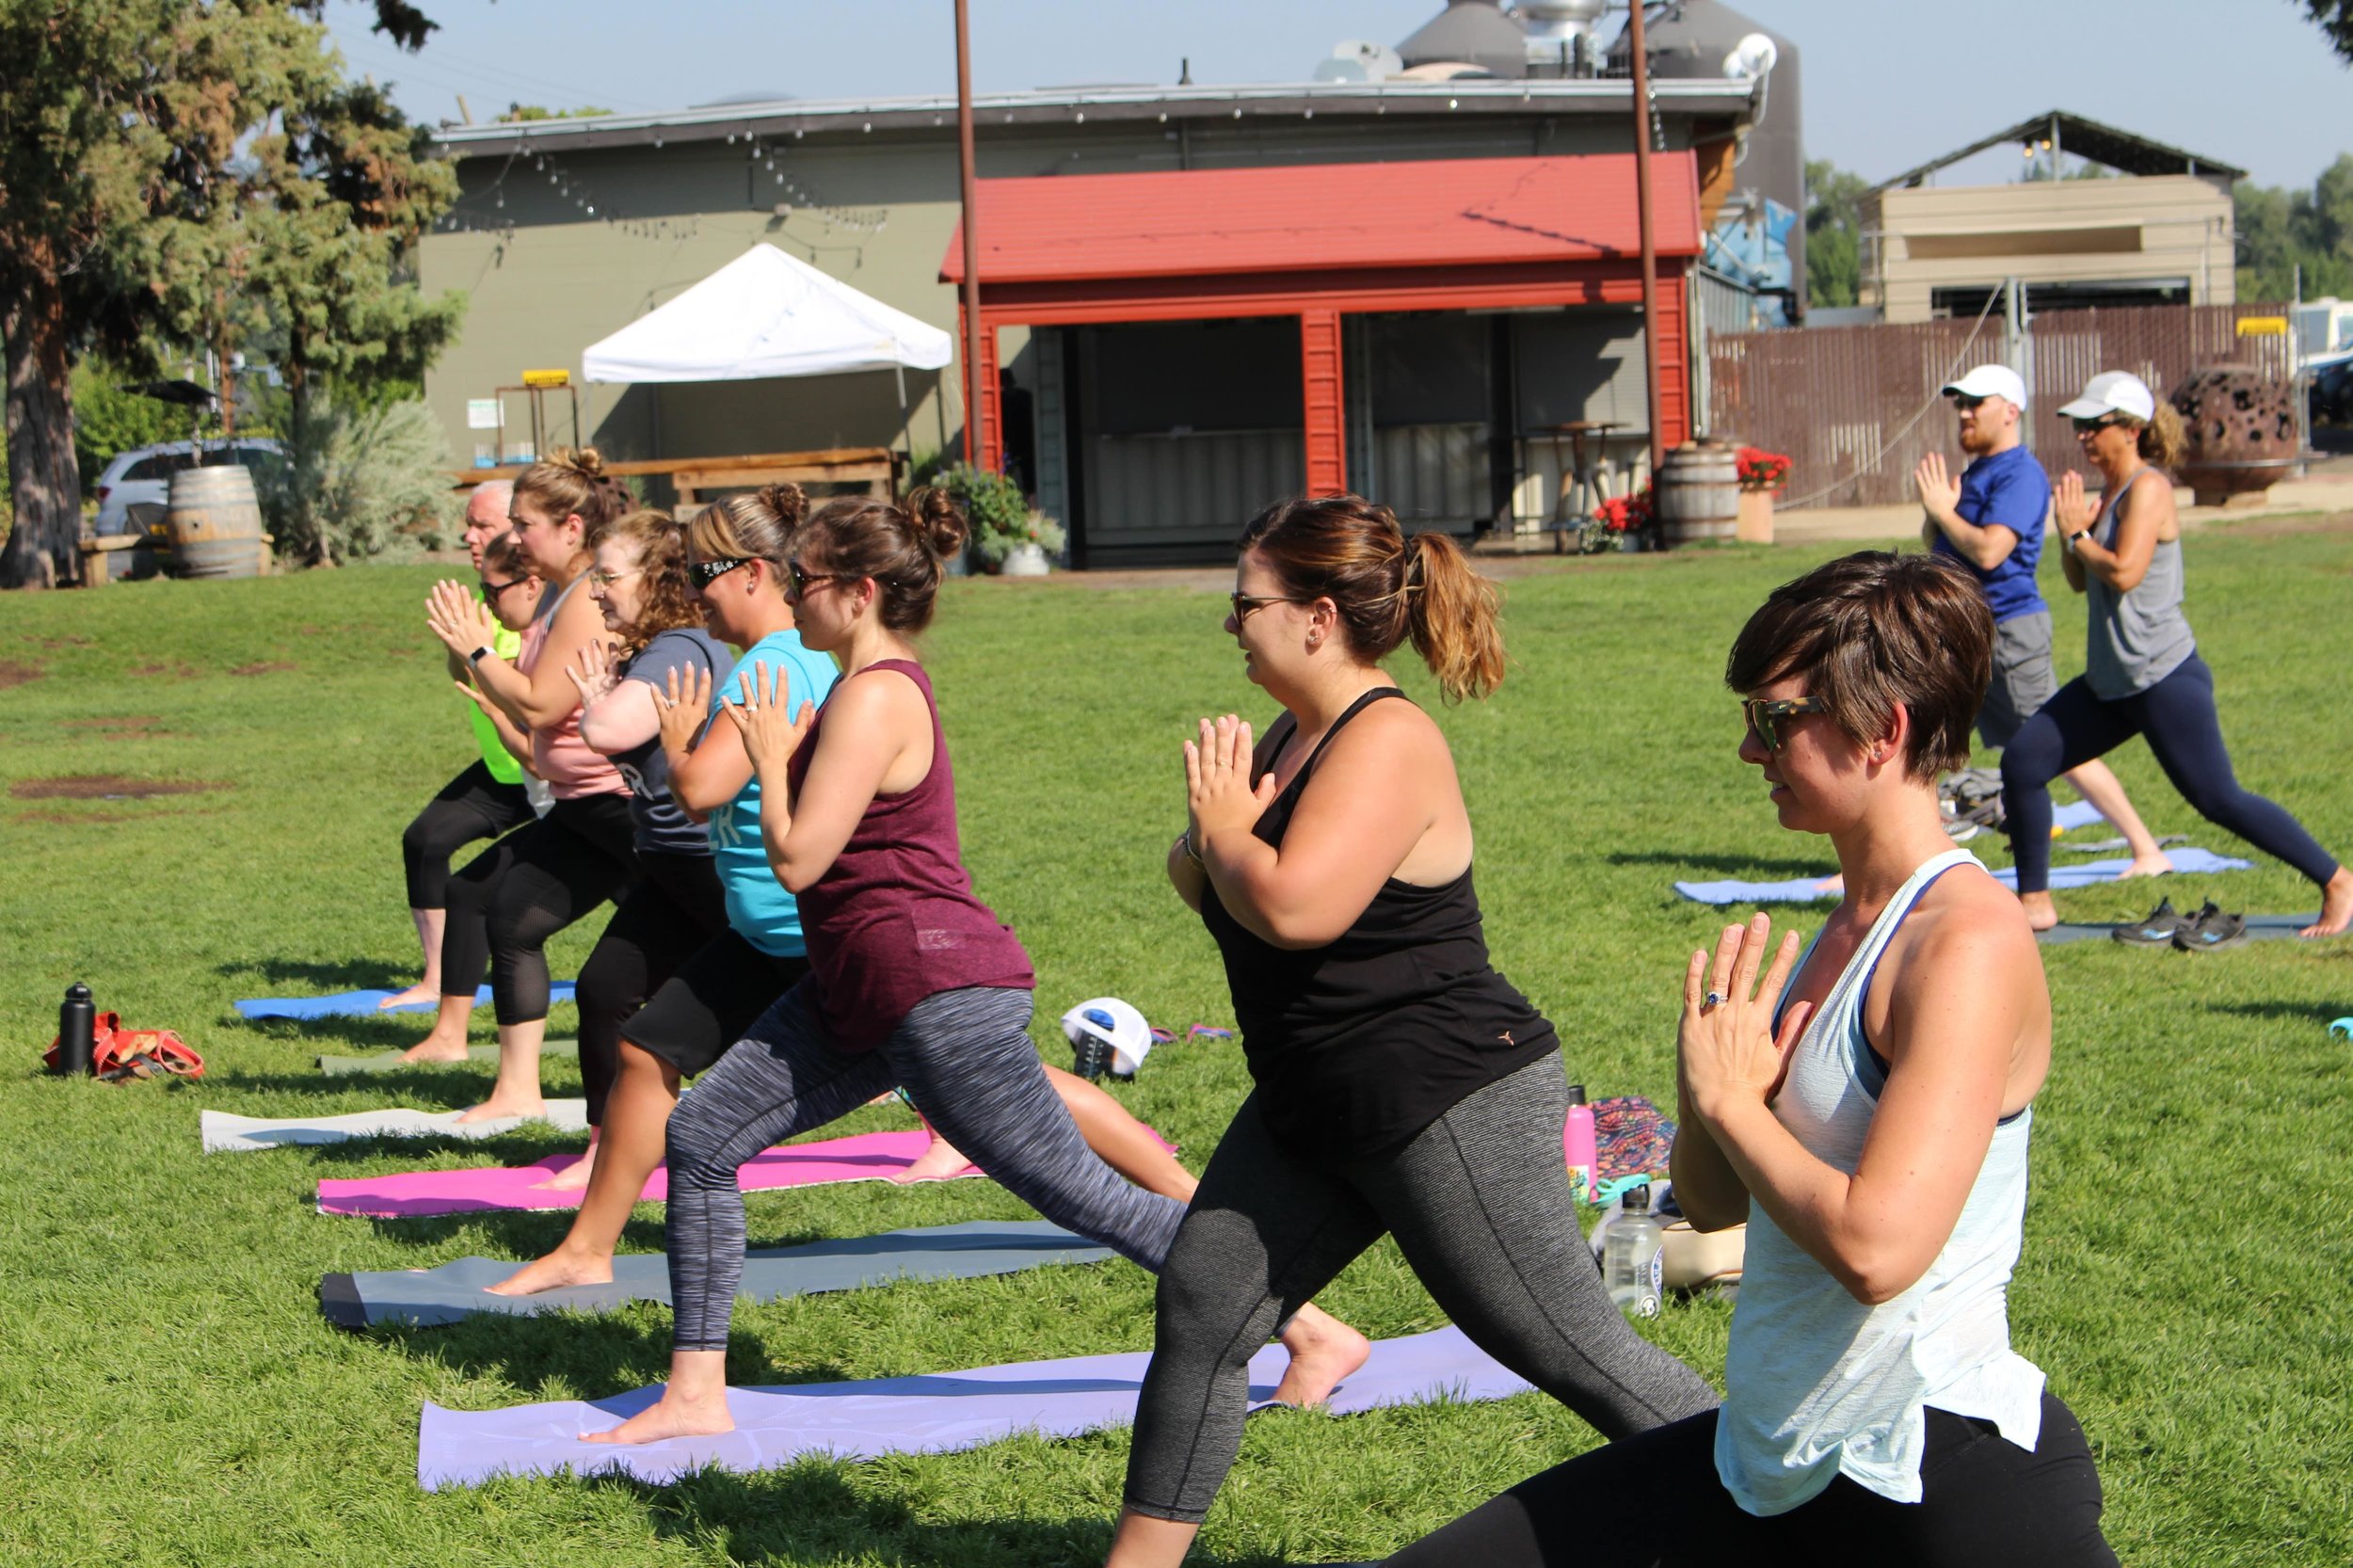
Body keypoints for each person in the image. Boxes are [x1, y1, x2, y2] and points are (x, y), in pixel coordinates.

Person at [1380, 551, 2119, 1567]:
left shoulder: (1964, 943)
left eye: (1775, 719)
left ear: (1882, 732)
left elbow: (1877, 1252)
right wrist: (1707, 1096)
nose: (1746, 747)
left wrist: (1737, 1106)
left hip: (1934, 1475)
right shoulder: (1841, 927)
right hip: (1772, 1464)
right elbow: (1712, 1202)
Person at [582, 488, 1366, 1446]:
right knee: (702, 1133)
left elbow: (796, 859)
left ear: (858, 592)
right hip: (860, 990)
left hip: (932, 992)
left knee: (1089, 1199)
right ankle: (697, 1390)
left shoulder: (873, 696)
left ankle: (1312, 1328)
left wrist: (772, 759)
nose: (791, 597)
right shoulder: (857, 685)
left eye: (806, 581)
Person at [1103, 495, 1718, 1568]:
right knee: (1204, 1305)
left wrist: (1222, 837)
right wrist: (1219, 846)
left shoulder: (1386, 738)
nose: (1230, 623)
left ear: (1317, 614)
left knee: (1572, 1348)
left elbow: (1293, 908)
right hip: (1314, 1097)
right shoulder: (1290, 735)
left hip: (1443, 1101)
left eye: (1245, 602)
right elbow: (1222, 893)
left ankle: (1799, 1526)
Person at [1999, 372, 2353, 936]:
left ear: (2133, 430)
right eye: (2080, 426)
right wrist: (2072, 534)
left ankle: (2336, 880)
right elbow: (2077, 579)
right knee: (2024, 761)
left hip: (2162, 676)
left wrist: (2081, 538)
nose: (2084, 436)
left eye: (2096, 425)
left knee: (2219, 799)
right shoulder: (2111, 494)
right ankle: (2035, 902)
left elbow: (2126, 571)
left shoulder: (2149, 488)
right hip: (2110, 682)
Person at [406, 450, 641, 1109]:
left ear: (570, 527)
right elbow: (535, 719)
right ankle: (516, 1091)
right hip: (582, 807)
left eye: (523, 522)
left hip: (628, 809)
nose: (512, 537)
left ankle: (849, 1052)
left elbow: (542, 704)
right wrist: (473, 655)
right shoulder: (561, 599)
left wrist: (477, 648)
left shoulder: (587, 598)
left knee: (724, 938)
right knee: (508, 914)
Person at [531, 506, 729, 1191]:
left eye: (608, 577)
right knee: (605, 988)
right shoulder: (655, 651)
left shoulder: (680, 646)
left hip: (715, 868)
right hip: (670, 869)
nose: (594, 593)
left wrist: (597, 702)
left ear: (658, 580)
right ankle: (606, 1151)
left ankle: (949, 1112)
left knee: (825, 1006)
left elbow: (609, 729)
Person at [1915, 366, 2169, 874]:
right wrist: (1937, 513)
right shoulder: (1978, 473)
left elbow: (1990, 550)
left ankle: (2146, 849)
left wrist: (1945, 511)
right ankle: (1903, 861)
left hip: (2009, 633)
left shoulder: (2021, 474)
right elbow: (1944, 546)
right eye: (1959, 404)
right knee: (1924, 740)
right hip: (1959, 633)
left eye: (1975, 403)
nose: (1963, 413)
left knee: (2058, 747)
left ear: (2010, 410)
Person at [382, 481, 536, 1008]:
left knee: (624, 878)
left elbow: (529, 692)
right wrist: (462, 644)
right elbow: (468, 677)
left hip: (552, 772)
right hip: (504, 770)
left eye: (483, 525)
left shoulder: (541, 599)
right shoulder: (484, 596)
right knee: (425, 841)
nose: (470, 537)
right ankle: (435, 977)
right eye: (468, 526)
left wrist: (479, 651)